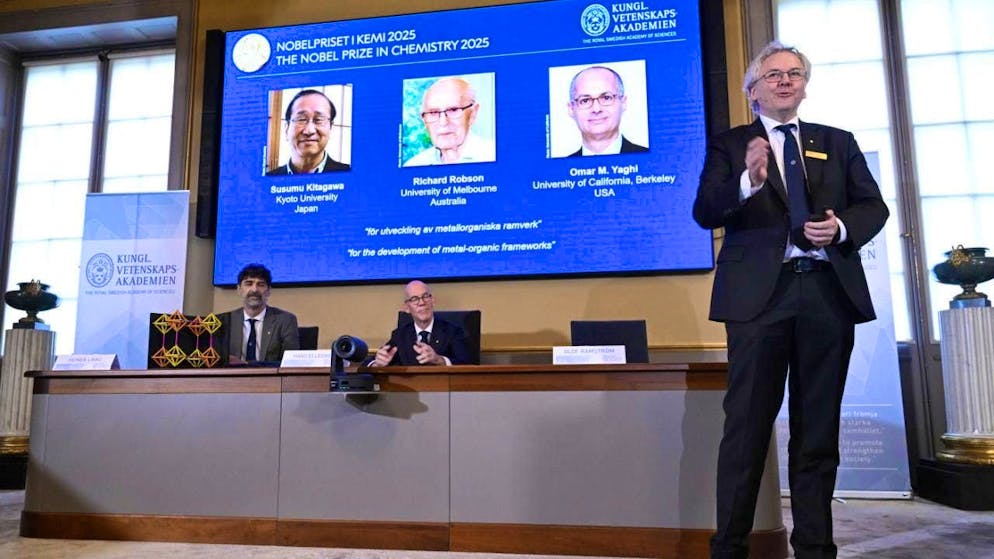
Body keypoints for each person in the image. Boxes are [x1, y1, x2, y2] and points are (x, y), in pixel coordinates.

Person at [692, 41, 889, 559]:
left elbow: (874, 206)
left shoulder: (837, 142)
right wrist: (747, 181)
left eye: (794, 73)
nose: (785, 81)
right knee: (747, 430)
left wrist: (842, 227)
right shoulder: (730, 144)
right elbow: (705, 211)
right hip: (760, 299)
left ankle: (816, 548)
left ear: (804, 84)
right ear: (752, 90)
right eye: (773, 74)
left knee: (817, 429)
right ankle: (729, 548)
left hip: (826, 292)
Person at [366, 280, 471, 366]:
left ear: (432, 301)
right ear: (406, 307)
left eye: (425, 296)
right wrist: (377, 363)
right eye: (414, 299)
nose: (421, 303)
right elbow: (372, 361)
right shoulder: (400, 335)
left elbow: (468, 364)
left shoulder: (452, 331)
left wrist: (439, 360)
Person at [403, 77, 496, 167]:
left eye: (453, 110)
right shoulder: (413, 165)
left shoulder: (493, 154)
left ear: (473, 113)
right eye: (433, 112)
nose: (443, 122)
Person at [221, 263, 300, 363]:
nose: (254, 290)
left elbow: (289, 363)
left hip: (271, 378)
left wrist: (246, 364)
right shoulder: (225, 321)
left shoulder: (285, 320)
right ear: (239, 289)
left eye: (261, 284)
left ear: (268, 291)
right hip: (231, 378)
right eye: (249, 284)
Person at [566, 65, 647, 157]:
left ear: (623, 103)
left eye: (606, 98)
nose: (596, 109)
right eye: (585, 100)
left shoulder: (647, 157)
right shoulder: (559, 168)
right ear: (571, 109)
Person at [266, 89, 350, 175]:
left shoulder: (350, 175)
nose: (309, 130)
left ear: (331, 128)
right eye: (301, 119)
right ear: (287, 129)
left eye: (318, 120)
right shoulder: (268, 180)